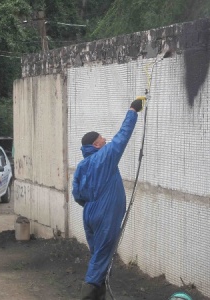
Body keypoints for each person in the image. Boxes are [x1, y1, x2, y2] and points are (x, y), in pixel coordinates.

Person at [72, 98, 144, 300]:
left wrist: (92, 204)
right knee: (100, 260)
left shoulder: (82, 166)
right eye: (102, 138)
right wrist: (133, 110)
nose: (106, 139)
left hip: (89, 215)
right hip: (105, 216)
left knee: (99, 257)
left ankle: (99, 297)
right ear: (96, 144)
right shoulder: (105, 156)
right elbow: (123, 136)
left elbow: (77, 195)